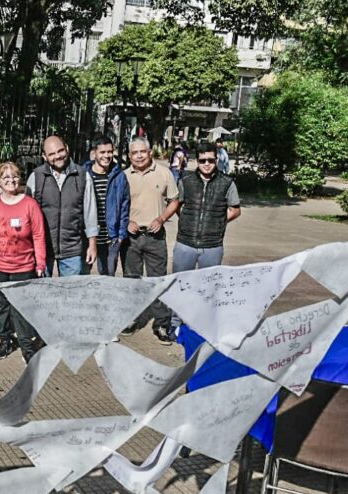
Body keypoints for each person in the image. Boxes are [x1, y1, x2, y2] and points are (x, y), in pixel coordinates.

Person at [161, 141, 242, 332]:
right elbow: (177, 205)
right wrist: (188, 220)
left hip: (212, 245)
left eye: (210, 160)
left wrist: (217, 222)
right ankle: (176, 323)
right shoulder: (186, 181)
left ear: (217, 160)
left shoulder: (227, 183)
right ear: (196, 161)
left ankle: (201, 325)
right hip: (185, 243)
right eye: (202, 160)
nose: (206, 164)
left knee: (207, 288)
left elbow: (235, 210)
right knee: (180, 284)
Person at [120, 137, 179, 344]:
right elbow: (117, 205)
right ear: (129, 156)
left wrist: (162, 219)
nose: (139, 156)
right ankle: (131, 319)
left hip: (155, 236)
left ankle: (161, 324)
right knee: (131, 281)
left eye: (142, 152)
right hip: (132, 238)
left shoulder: (164, 173)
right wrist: (126, 222)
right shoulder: (123, 176)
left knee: (158, 281)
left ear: (150, 152)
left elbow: (174, 201)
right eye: (134, 153)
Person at [0, 162, 47, 362]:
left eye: (14, 176)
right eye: (6, 177)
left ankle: (26, 347)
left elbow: (38, 235)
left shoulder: (30, 204)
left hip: (24, 265)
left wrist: (40, 263)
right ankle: (5, 341)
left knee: (21, 309)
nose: (11, 181)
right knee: (0, 307)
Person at [25, 135, 98, 276]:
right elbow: (26, 214)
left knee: (71, 289)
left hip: (72, 248)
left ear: (67, 149)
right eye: (52, 154)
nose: (57, 156)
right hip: (42, 249)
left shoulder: (82, 176)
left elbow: (90, 212)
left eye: (60, 151)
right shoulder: (35, 177)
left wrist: (92, 244)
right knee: (41, 288)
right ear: (44, 156)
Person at [82, 136, 130, 276]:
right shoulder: (83, 175)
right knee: (82, 275)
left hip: (110, 237)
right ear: (94, 153)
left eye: (109, 152)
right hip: (87, 235)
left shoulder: (119, 176)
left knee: (108, 276)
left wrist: (120, 236)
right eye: (102, 152)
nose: (107, 156)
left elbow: (125, 207)